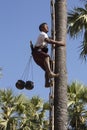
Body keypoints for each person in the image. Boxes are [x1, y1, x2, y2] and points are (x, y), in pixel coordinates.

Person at [31, 22, 65, 87]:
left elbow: (49, 39)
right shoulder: (43, 34)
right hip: (37, 53)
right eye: (46, 26)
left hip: (36, 56)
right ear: (42, 28)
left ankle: (47, 83)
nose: (48, 27)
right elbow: (48, 41)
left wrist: (53, 37)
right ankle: (50, 73)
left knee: (48, 66)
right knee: (47, 57)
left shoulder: (43, 35)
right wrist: (59, 43)